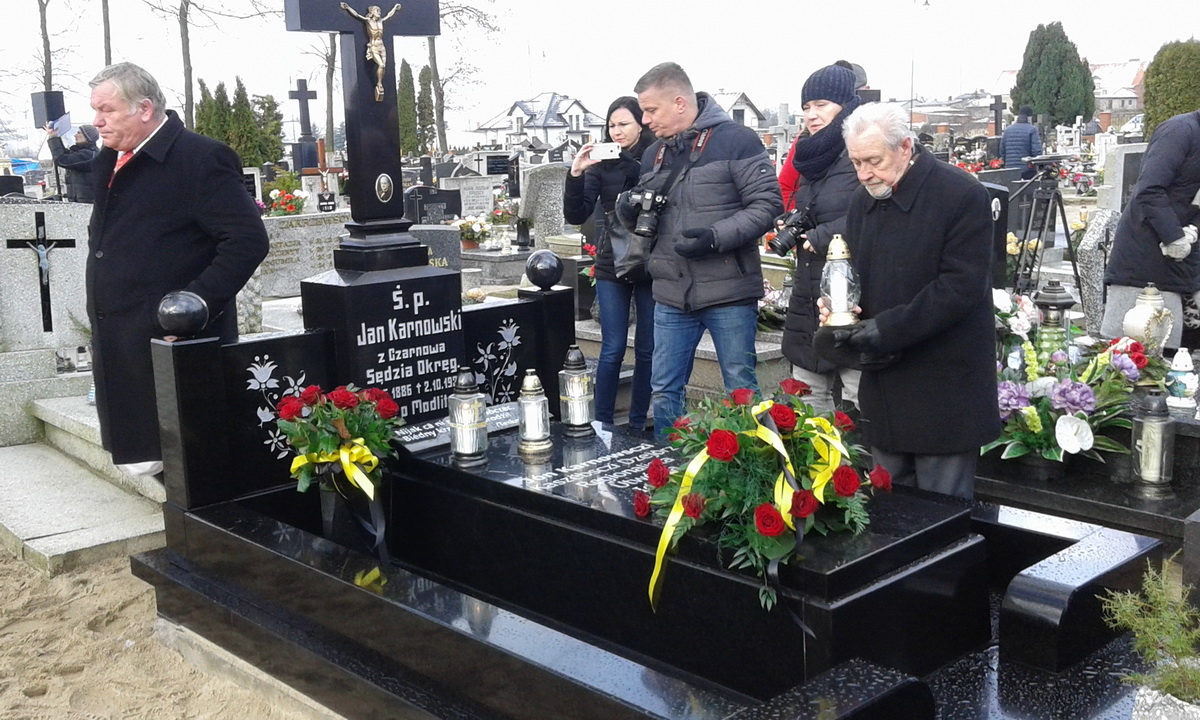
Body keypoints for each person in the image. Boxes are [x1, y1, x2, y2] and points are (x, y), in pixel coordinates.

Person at [86, 62, 269, 476]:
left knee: (187, 464)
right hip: (123, 337)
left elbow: (246, 241)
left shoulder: (200, 158)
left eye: (106, 110)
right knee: (148, 458)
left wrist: (194, 305)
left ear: (144, 109)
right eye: (95, 110)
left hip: (172, 339)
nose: (96, 121)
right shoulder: (113, 159)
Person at [828, 102, 999, 499]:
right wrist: (840, 308)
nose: (864, 174)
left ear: (905, 147)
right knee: (889, 511)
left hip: (943, 387)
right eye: (856, 163)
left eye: (874, 161)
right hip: (885, 386)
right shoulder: (863, 201)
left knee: (941, 515)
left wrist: (886, 329)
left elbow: (960, 288)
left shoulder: (960, 194)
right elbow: (855, 274)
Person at [622, 62, 782, 437]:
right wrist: (628, 209)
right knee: (664, 390)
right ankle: (669, 466)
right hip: (671, 292)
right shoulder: (654, 154)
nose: (645, 121)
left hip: (728, 290)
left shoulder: (737, 140)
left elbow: (767, 205)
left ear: (680, 102)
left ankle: (750, 467)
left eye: (651, 110)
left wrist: (714, 237)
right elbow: (647, 222)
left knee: (741, 391)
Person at [563, 97, 656, 430]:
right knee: (613, 347)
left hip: (649, 260)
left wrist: (632, 165)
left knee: (647, 348)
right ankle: (602, 425)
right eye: (612, 125)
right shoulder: (602, 163)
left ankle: (637, 424)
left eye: (624, 124)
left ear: (641, 124)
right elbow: (576, 214)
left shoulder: (656, 155)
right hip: (611, 259)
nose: (616, 131)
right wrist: (576, 173)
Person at [778, 62, 863, 414]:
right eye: (806, 107)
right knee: (808, 406)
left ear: (845, 105)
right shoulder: (812, 155)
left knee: (861, 403)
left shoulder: (862, 148)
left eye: (821, 105)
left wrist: (825, 234)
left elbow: (880, 210)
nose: (811, 114)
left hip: (855, 295)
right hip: (810, 291)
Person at [1101, 108, 1200, 347]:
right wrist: (1174, 236)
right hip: (1146, 258)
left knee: (1182, 356)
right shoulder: (1179, 131)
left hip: (1187, 260)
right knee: (1140, 352)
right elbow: (1149, 190)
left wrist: (1194, 230)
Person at [45, 124, 99, 203]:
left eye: (79, 133)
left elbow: (62, 159)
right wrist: (54, 137)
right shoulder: (86, 153)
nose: (75, 135)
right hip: (83, 201)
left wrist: (53, 138)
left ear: (88, 137)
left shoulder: (89, 155)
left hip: (86, 203)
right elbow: (64, 155)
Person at [999, 105, 1043, 180]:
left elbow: (1002, 150)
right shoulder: (1032, 129)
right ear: (1029, 117)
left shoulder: (1008, 130)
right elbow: (1036, 151)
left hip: (1010, 169)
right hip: (1027, 169)